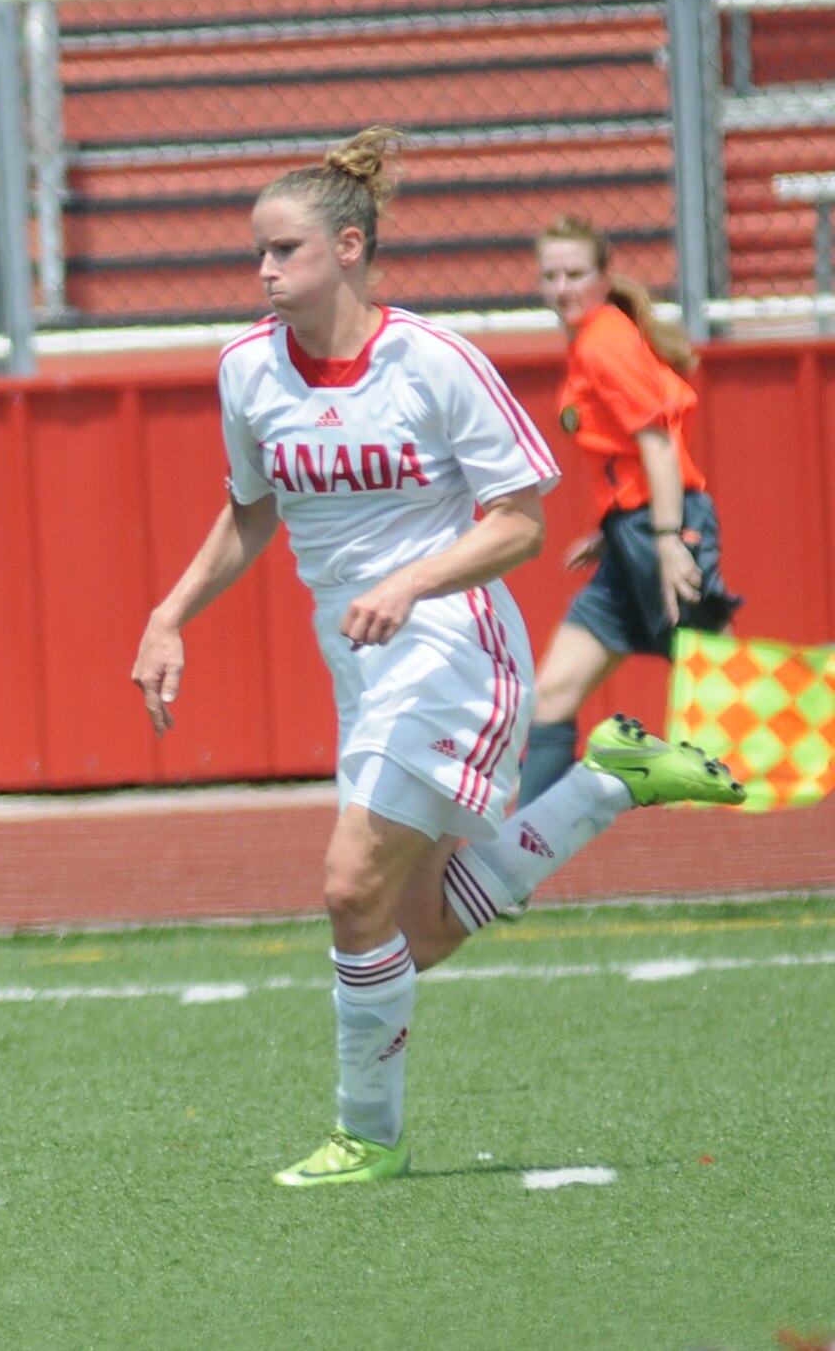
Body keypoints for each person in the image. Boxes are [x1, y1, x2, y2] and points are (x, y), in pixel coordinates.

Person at [129, 128, 745, 1187]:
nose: (264, 273)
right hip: (357, 651)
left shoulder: (433, 360)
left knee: (345, 886)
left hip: (452, 640)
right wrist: (167, 612)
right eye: (257, 255)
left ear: (350, 247)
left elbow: (515, 521)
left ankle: (365, 1134)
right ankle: (604, 781)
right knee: (407, 930)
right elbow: (249, 509)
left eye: (283, 251)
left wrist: (412, 580)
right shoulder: (245, 372)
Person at [519, 215, 743, 805]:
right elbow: (633, 456)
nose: (562, 287)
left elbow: (659, 447)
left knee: (720, 686)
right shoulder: (597, 337)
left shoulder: (602, 343)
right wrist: (612, 526)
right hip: (634, 532)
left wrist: (667, 539)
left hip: (660, 529)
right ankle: (519, 854)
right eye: (550, 276)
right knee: (552, 696)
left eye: (575, 274)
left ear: (603, 274)